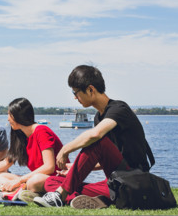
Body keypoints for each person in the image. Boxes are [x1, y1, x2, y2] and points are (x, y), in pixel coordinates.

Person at [34, 65, 154, 209]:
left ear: (91, 89)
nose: (74, 97)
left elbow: (96, 136)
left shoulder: (119, 109)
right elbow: (104, 157)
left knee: (97, 140)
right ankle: (101, 200)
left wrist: (66, 149)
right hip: (114, 183)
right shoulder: (99, 117)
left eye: (76, 92)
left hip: (133, 180)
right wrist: (77, 167)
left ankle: (60, 196)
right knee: (51, 181)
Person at [0, 98, 66, 203]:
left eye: (9, 114)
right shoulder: (21, 136)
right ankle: (25, 193)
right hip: (35, 180)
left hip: (55, 180)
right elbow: (5, 163)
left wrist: (19, 180)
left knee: (34, 181)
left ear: (19, 116)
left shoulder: (41, 131)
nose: (8, 119)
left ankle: (21, 192)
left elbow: (49, 167)